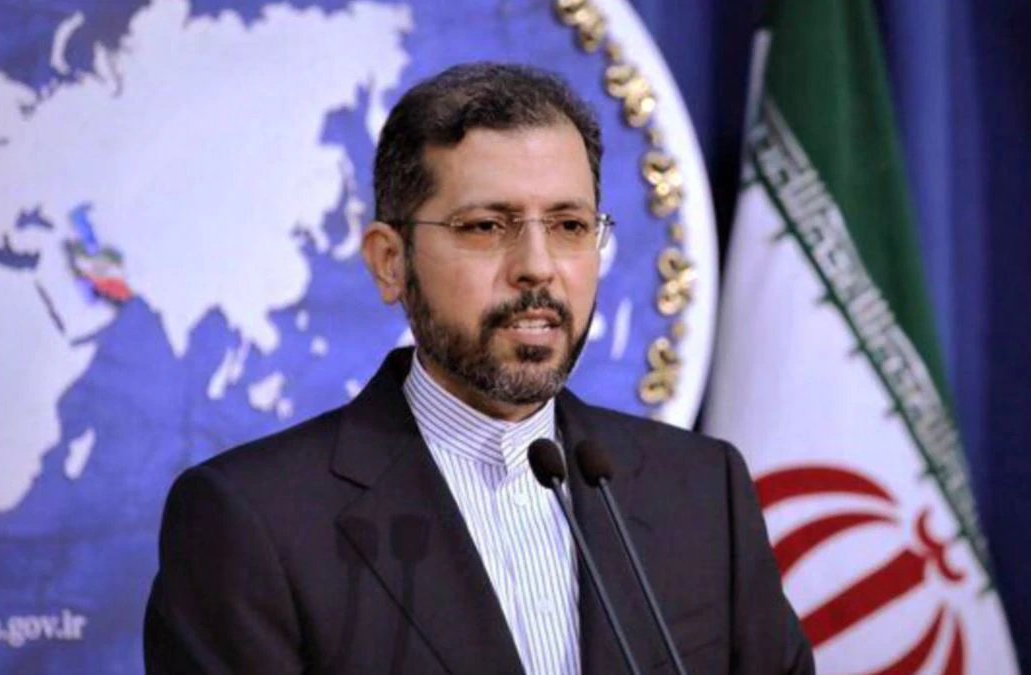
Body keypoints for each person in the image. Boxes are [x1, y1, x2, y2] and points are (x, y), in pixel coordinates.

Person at [144, 62, 813, 675]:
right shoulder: (252, 520)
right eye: (487, 226)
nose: (537, 267)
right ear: (390, 261)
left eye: (569, 226)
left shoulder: (703, 491)